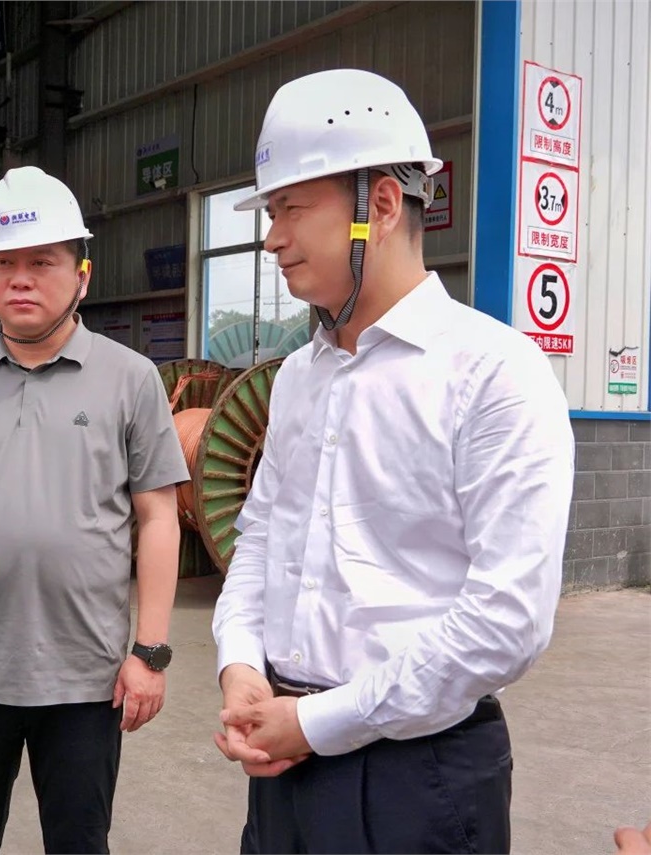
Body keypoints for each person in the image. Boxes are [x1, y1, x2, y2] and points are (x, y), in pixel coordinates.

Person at [211, 69, 575, 854]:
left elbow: (506, 620)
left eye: (292, 209)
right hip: (283, 759)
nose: (273, 238)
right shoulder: (299, 376)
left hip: (420, 775)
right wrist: (239, 662)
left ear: (379, 203)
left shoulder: (491, 372)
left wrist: (319, 721)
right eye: (271, 213)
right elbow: (261, 536)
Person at [0, 165, 189, 854]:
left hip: (86, 678)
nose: (20, 279)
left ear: (82, 274)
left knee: (80, 841)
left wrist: (150, 651)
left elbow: (158, 518)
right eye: (3, 263)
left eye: (42, 262)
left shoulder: (131, 379)